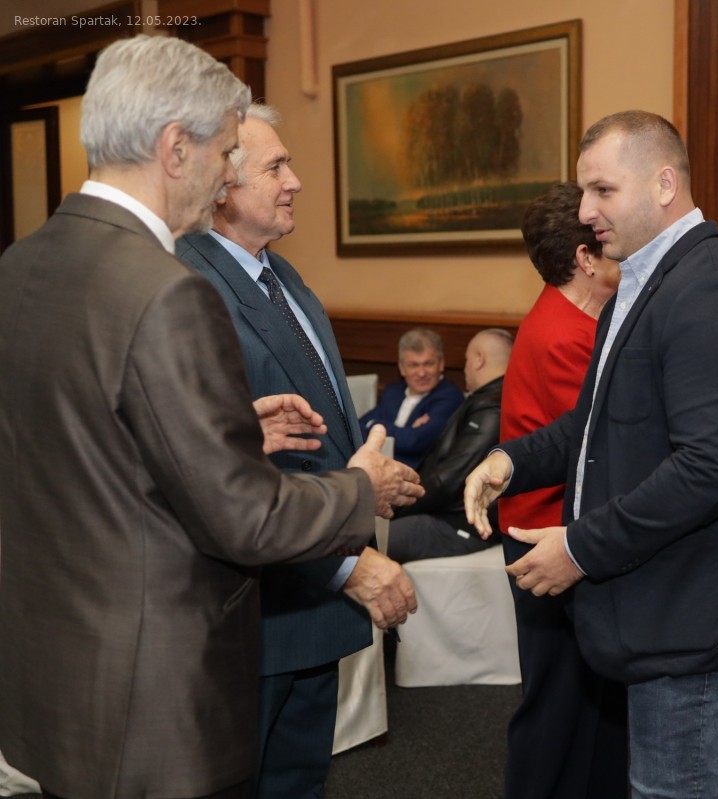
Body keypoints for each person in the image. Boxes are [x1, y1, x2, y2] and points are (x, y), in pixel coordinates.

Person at [0, 35, 421, 799]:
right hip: (155, 689)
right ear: (175, 148)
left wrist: (226, 430)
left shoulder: (23, 262)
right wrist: (359, 487)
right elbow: (245, 518)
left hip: (61, 670)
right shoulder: (167, 289)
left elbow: (82, 443)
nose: (228, 173)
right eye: (227, 151)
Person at [465, 110, 718, 799]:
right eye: (585, 191)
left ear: (664, 184)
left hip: (689, 612)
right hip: (664, 603)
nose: (586, 211)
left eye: (603, 190)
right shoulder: (641, 284)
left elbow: (707, 467)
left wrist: (579, 548)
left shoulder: (710, 286)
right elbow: (596, 422)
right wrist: (511, 462)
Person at [175, 103, 421, 796]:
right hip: (257, 614)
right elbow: (222, 473)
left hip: (309, 609)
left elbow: (314, 432)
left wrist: (367, 482)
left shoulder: (282, 277)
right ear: (222, 186)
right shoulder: (192, 289)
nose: (296, 181)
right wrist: (345, 566)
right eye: (277, 166)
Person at [497, 181, 626, 799]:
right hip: (545, 537)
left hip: (555, 529)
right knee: (558, 703)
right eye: (605, 236)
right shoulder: (565, 334)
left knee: (587, 701)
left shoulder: (571, 318)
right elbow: (599, 442)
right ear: (584, 257)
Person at [386, 328, 512, 562]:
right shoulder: (492, 399)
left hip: (458, 522)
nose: (465, 368)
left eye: (466, 360)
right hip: (449, 514)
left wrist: (397, 506)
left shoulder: (492, 407)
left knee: (366, 542)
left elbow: (449, 479)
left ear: (478, 360)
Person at [359, 329, 465, 468]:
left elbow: (413, 442)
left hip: (413, 476)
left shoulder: (450, 396)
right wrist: (406, 431)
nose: (421, 373)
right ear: (402, 368)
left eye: (428, 364)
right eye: (413, 365)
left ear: (441, 364)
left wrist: (373, 425)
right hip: (375, 468)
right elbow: (358, 427)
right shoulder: (393, 392)